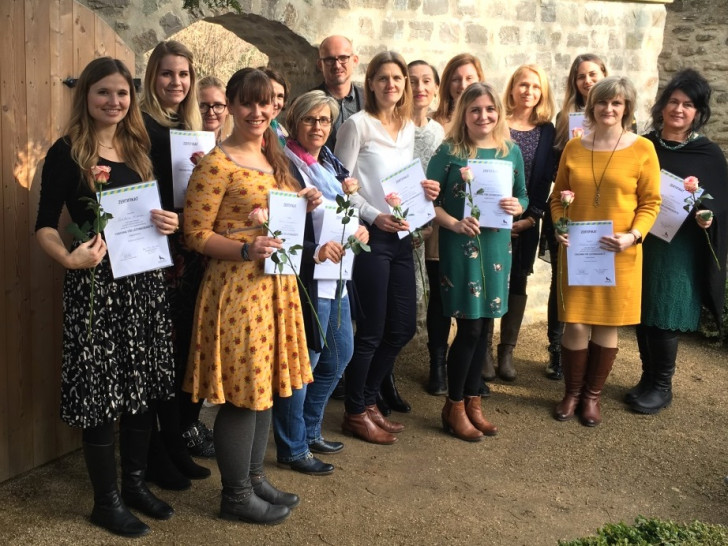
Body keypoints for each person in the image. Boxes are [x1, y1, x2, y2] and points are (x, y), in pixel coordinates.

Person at [35, 57, 179, 537]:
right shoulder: (66, 152)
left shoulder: (141, 147)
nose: (114, 102)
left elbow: (157, 211)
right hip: (95, 286)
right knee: (99, 392)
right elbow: (43, 226)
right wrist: (68, 258)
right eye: (104, 93)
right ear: (87, 97)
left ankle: (134, 485)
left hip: (142, 282)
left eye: (122, 93)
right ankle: (106, 500)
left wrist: (168, 222)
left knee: (141, 384)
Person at [183, 68, 322, 524]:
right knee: (243, 396)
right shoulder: (216, 163)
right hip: (237, 290)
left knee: (265, 390)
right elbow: (194, 234)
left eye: (265, 103)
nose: (257, 112)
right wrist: (244, 247)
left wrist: (304, 200)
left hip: (274, 288)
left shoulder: (274, 156)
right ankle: (236, 494)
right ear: (232, 105)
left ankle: (255, 478)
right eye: (247, 103)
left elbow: (278, 217)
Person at [334, 51, 440, 444]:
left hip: (401, 234)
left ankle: (368, 399)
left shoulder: (408, 126)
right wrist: (373, 216)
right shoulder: (356, 126)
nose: (391, 84)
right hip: (370, 237)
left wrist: (425, 193)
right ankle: (356, 412)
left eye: (398, 78)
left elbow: (402, 180)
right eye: (383, 78)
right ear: (371, 83)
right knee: (373, 331)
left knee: (403, 327)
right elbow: (340, 187)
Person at [550, 76, 661, 427]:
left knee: (606, 323)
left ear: (627, 108)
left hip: (620, 251)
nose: (609, 109)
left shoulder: (643, 149)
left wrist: (633, 235)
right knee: (576, 322)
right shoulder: (575, 147)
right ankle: (571, 393)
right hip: (579, 251)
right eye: (602, 102)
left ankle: (592, 397)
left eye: (617, 103)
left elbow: (651, 202)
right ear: (592, 106)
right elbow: (558, 197)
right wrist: (559, 225)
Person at [273, 90, 369, 475]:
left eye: (325, 120)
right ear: (295, 121)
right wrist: (312, 242)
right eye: (310, 119)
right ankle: (292, 446)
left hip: (338, 271)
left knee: (339, 354)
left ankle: (310, 430)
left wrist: (360, 230)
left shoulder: (330, 163)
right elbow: (280, 223)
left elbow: (348, 211)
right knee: (305, 361)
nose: (317, 127)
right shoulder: (284, 163)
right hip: (306, 274)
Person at [428, 82, 527, 442]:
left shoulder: (510, 150)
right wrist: (453, 222)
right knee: (469, 327)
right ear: (463, 114)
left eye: (489, 109)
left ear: (498, 113)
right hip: (461, 244)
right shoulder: (450, 151)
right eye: (475, 110)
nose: (483, 116)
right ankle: (453, 406)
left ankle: (473, 404)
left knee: (485, 328)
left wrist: (519, 207)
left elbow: (524, 194)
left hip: (497, 245)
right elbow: (430, 201)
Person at [628, 69, 728, 414]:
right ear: (662, 105)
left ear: (698, 112)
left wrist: (708, 216)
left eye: (688, 105)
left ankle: (661, 385)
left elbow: (719, 204)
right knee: (642, 311)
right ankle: (645, 377)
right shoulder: (644, 146)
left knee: (663, 310)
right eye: (673, 101)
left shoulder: (708, 154)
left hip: (680, 247)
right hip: (644, 241)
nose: (679, 109)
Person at [140, 40, 210, 489]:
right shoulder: (140, 125)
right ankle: (155, 451)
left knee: (184, 348)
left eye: (184, 75)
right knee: (160, 354)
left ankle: (176, 441)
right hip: (155, 249)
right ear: (152, 77)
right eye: (168, 74)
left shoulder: (194, 127)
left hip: (190, 248)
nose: (177, 83)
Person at [486, 65, 556, 382]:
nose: (529, 91)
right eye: (523, 85)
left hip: (527, 221)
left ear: (542, 93)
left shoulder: (547, 131)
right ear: (512, 88)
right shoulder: (495, 123)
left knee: (518, 282)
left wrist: (531, 218)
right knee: (488, 280)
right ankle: (483, 350)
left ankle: (507, 351)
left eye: (535, 87)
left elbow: (543, 182)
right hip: (491, 219)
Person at [542, 53, 608, 380]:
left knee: (597, 280)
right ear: (574, 82)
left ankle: (591, 351)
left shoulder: (622, 116)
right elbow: (556, 164)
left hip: (604, 214)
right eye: (581, 76)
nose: (587, 81)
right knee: (562, 280)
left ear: (604, 75)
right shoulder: (566, 116)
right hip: (570, 208)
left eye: (593, 74)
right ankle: (556, 349)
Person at [407, 60, 448, 395]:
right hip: (398, 220)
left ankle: (437, 364)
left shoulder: (440, 133)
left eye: (426, 81)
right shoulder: (396, 127)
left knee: (430, 294)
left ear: (436, 88)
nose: (419, 88)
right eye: (412, 81)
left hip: (433, 224)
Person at [314, 35, 364, 150]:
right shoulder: (306, 103)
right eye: (330, 60)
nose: (337, 65)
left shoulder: (371, 100)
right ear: (320, 65)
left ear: (355, 60)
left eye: (343, 58)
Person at [432, 53, 485, 134]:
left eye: (469, 78)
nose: (463, 86)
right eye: (456, 79)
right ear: (447, 84)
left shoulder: (490, 122)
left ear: (479, 79)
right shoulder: (432, 122)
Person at [260, 67, 289, 146]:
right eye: (270, 95)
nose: (275, 103)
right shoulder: (252, 133)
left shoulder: (280, 131)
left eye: (280, 96)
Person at [199, 75, 231, 142]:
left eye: (218, 105)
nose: (211, 113)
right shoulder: (181, 142)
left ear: (228, 108)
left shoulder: (236, 147)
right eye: (203, 106)